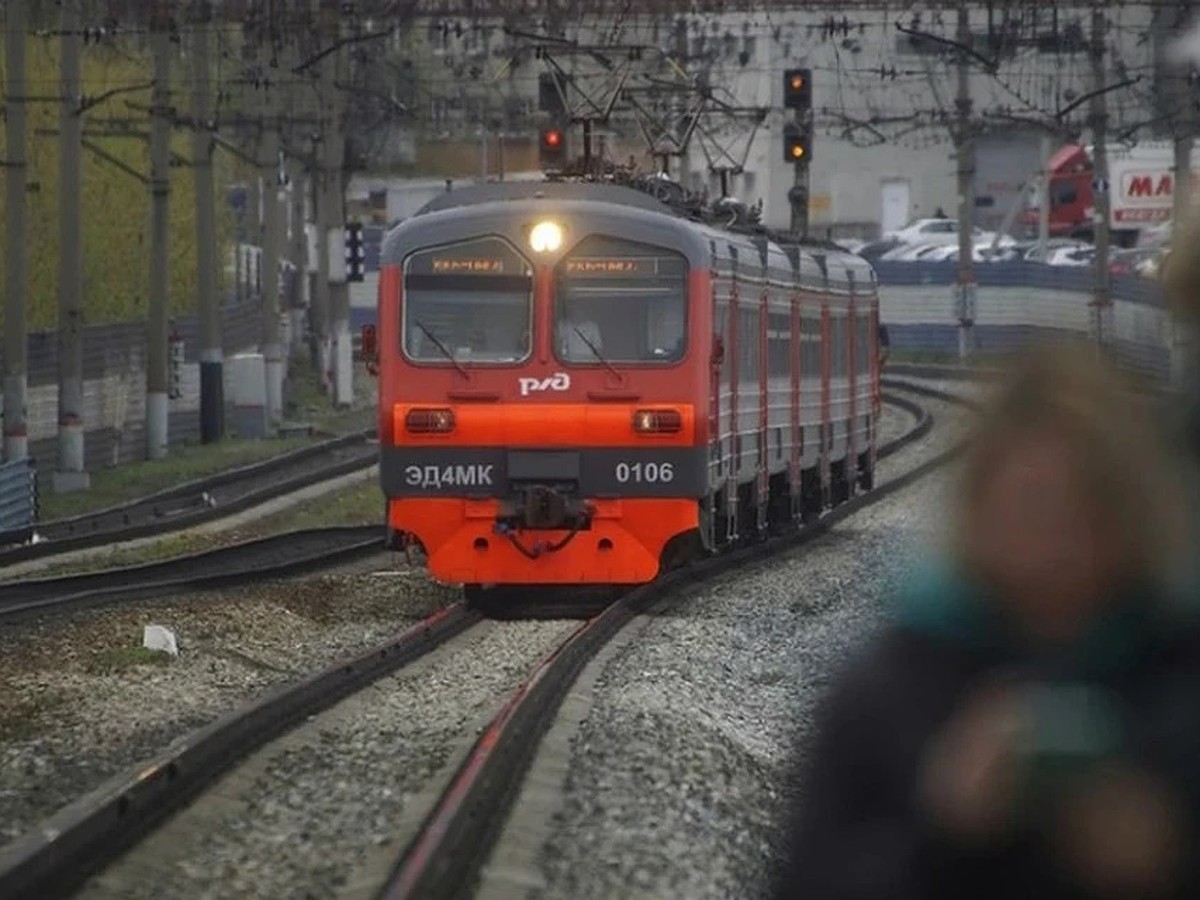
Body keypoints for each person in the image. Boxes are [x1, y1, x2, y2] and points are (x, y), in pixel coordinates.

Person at [773, 341, 1200, 899]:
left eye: (1093, 514)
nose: (1057, 549)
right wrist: (945, 830)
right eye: (1030, 511)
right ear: (977, 512)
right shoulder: (887, 695)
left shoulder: (1180, 681)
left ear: (1138, 518)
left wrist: (1169, 859)